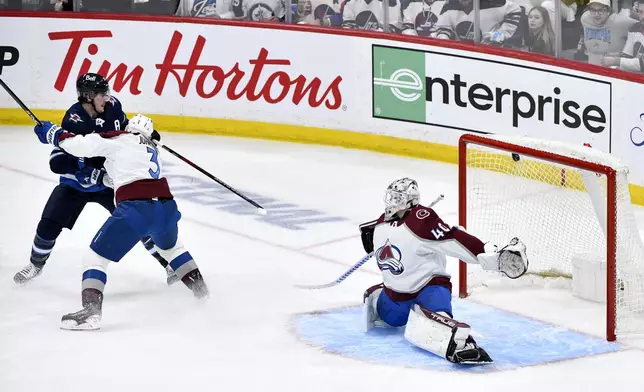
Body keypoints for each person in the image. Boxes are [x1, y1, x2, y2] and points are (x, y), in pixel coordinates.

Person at [33, 114, 210, 330]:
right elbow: (123, 176)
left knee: (95, 257)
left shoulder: (121, 138)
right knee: (173, 249)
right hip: (166, 209)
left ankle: (91, 312)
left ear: (129, 128)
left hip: (137, 209)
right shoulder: (153, 149)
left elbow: (80, 145)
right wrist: (101, 178)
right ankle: (202, 293)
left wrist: (55, 134)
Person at [13, 73, 177, 286]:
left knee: (138, 220)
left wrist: (146, 134)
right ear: (88, 96)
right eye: (102, 95)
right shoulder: (74, 119)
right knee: (48, 224)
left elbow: (126, 130)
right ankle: (36, 265)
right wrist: (82, 169)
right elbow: (57, 162)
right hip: (75, 185)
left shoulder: (114, 107)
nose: (107, 98)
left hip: (108, 182)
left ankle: (167, 264)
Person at [359, 178, 528, 364]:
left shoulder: (389, 224)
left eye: (398, 197)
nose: (392, 201)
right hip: (398, 299)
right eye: (392, 196)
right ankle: (447, 333)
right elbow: (452, 237)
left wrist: (486, 252)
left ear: (409, 201)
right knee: (417, 307)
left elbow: (452, 239)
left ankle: (455, 336)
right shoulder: (403, 223)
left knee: (435, 307)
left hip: (419, 291)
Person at [576, 0, 637, 66]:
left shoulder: (620, 22)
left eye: (601, 10)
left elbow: (640, 24)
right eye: (593, 10)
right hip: (593, 70)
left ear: (608, 11)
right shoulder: (585, 19)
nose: (596, 14)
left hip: (615, 72)